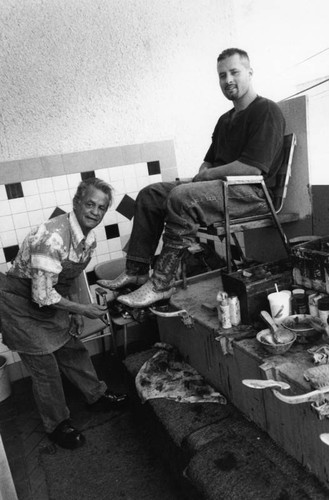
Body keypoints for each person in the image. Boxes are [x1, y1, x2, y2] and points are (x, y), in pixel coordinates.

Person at [98, 47, 286, 308]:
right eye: (222, 75)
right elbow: (209, 159)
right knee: (150, 194)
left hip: (252, 194)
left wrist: (207, 175)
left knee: (182, 197)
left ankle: (161, 283)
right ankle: (137, 270)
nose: (228, 80)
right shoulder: (225, 120)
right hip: (220, 188)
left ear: (250, 72)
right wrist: (204, 172)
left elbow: (252, 168)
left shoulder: (266, 111)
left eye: (234, 72)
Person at [0, 177, 128, 450]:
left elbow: (66, 278)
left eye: (101, 207)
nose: (95, 211)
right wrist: (83, 308)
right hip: (19, 305)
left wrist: (75, 313)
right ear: (77, 203)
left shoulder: (88, 240)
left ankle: (96, 396)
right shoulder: (52, 238)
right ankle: (57, 424)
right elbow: (42, 295)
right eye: (90, 204)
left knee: (73, 349)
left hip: (48, 298)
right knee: (45, 369)